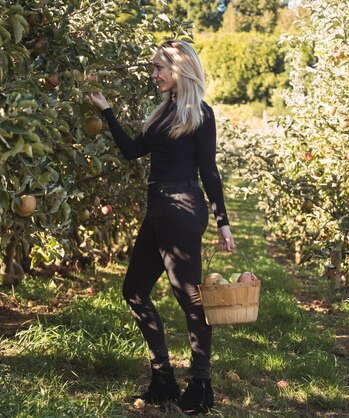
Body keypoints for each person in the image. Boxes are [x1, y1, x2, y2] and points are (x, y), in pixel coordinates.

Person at [87, 39, 235, 414]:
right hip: (158, 206)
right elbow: (132, 151)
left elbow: (210, 171)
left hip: (183, 206)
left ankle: (201, 385)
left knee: (190, 300)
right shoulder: (163, 111)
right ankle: (163, 377)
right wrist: (106, 111)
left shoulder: (200, 113)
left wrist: (223, 222)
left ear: (180, 69)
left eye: (159, 68)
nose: (154, 74)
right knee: (134, 289)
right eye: (153, 68)